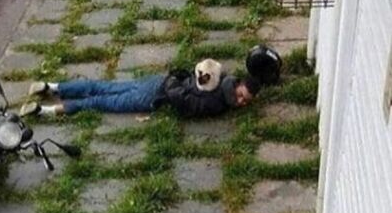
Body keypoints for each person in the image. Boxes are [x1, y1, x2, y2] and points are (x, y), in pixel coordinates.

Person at [20, 71, 261, 118]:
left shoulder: (221, 73)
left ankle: (52, 87)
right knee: (101, 102)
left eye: (244, 102)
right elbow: (186, 104)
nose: (239, 102)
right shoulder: (218, 103)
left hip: (157, 79)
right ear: (239, 85)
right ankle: (44, 111)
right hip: (154, 97)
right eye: (241, 96)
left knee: (104, 87)